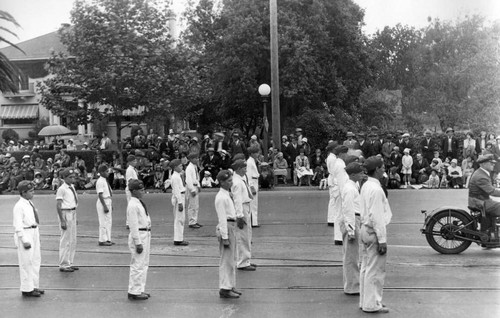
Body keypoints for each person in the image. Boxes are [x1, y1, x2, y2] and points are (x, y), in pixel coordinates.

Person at [359, 157, 392, 313]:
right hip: (374, 231)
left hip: (365, 229)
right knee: (376, 270)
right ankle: (372, 304)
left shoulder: (366, 185)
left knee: (366, 268)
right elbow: (377, 217)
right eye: (383, 167)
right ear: (377, 169)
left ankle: (365, 301)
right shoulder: (377, 189)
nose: (384, 169)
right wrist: (382, 240)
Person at [13, 180, 44, 297]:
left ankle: (34, 285)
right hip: (26, 233)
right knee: (26, 262)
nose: (33, 193)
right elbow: (18, 224)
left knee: (36, 260)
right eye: (30, 191)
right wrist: (23, 239)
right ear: (23, 192)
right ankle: (27, 288)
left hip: (34, 231)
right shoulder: (19, 206)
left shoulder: (29, 203)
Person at [214, 170, 242, 299]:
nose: (231, 183)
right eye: (229, 181)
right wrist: (225, 237)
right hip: (227, 227)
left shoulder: (227, 194)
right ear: (222, 182)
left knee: (231, 260)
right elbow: (222, 218)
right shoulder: (221, 197)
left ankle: (230, 285)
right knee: (226, 260)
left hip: (232, 225)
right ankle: (225, 288)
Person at [339, 162, 364, 295]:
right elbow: (348, 209)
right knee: (351, 256)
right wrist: (351, 229)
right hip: (352, 219)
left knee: (353, 254)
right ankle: (352, 287)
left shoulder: (353, 185)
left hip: (355, 219)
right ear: (353, 174)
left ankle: (353, 284)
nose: (362, 174)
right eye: (360, 172)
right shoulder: (349, 188)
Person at [126, 179, 151, 300]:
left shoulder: (138, 202)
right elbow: (133, 226)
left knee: (144, 263)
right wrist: (138, 242)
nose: (143, 191)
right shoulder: (132, 205)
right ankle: (134, 291)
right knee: (137, 264)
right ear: (134, 191)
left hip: (145, 233)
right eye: (140, 190)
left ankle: (140, 288)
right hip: (139, 234)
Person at [231, 159, 257, 271]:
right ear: (238, 169)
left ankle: (246, 259)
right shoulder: (236, 182)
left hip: (247, 205)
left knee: (247, 235)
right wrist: (239, 215)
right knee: (243, 236)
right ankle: (242, 262)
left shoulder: (241, 179)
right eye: (244, 168)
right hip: (242, 208)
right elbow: (237, 200)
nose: (246, 170)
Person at [468, 154, 500, 237]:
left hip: (480, 200)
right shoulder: (481, 176)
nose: (493, 164)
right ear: (483, 164)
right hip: (479, 202)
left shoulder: (482, 173)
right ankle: (490, 233)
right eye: (491, 163)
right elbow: (491, 191)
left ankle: (491, 233)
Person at [56, 167, 79, 272]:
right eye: (70, 177)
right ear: (64, 178)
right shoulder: (62, 189)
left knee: (72, 239)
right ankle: (64, 264)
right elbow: (58, 205)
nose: (72, 179)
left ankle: (70, 261)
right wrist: (62, 220)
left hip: (73, 212)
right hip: (66, 212)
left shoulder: (72, 187)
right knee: (65, 240)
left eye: (73, 177)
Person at [170, 159, 188, 246]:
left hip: (181, 196)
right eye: (180, 166)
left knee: (181, 218)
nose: (182, 167)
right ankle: (178, 239)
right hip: (179, 197)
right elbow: (176, 190)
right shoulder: (175, 177)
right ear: (175, 167)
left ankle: (179, 237)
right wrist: (180, 202)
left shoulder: (178, 175)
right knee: (179, 219)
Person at [96, 164, 113, 246]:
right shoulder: (100, 181)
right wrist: (105, 206)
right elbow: (100, 194)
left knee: (108, 221)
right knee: (103, 221)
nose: (108, 173)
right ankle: (102, 239)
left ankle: (108, 238)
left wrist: (110, 204)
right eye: (106, 171)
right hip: (103, 201)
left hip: (108, 200)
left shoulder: (105, 180)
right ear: (101, 172)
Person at [186, 153, 202, 229]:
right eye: (196, 158)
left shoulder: (194, 167)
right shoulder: (189, 168)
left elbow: (196, 177)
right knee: (192, 205)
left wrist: (198, 185)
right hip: (191, 187)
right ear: (191, 159)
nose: (197, 160)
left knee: (196, 205)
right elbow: (188, 180)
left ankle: (194, 220)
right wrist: (192, 189)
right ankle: (191, 222)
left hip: (195, 185)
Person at [246, 146, 260, 227]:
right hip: (252, 183)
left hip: (255, 181)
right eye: (256, 153)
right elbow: (249, 175)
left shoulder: (253, 161)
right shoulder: (249, 162)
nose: (258, 154)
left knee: (254, 204)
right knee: (253, 204)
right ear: (252, 154)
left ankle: (254, 221)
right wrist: (251, 187)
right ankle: (253, 222)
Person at [326, 143, 338, 227]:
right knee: (333, 200)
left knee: (333, 200)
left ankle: (331, 218)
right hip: (333, 179)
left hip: (332, 178)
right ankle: (332, 219)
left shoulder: (331, 157)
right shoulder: (332, 158)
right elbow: (334, 171)